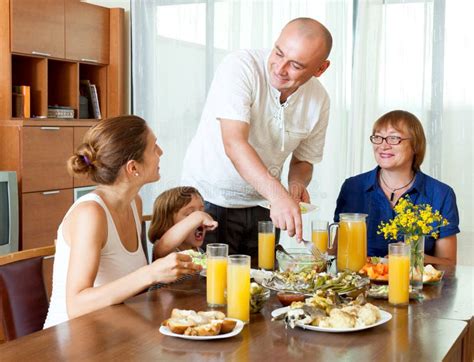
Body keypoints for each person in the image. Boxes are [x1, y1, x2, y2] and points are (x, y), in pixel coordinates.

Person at [181, 17, 333, 257]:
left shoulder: (319, 100)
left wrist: (297, 183)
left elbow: (304, 160)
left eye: (295, 65)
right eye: (278, 52)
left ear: (320, 69)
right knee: (209, 289)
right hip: (210, 200)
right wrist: (279, 195)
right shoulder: (240, 66)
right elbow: (234, 143)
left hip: (265, 205)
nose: (280, 68)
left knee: (263, 286)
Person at [44, 115, 201, 328]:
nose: (161, 152)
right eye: (154, 147)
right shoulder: (91, 214)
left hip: (115, 329)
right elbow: (76, 305)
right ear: (133, 167)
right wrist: (151, 272)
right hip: (71, 340)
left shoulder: (133, 203)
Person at [334, 110, 459, 265]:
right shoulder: (352, 187)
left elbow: (448, 263)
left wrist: (415, 257)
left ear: (415, 145)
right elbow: (337, 253)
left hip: (415, 286)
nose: (383, 146)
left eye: (394, 138)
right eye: (378, 138)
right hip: (360, 284)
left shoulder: (441, 194)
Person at [148, 186, 218, 260]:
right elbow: (164, 247)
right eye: (190, 214)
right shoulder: (164, 250)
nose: (200, 220)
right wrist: (198, 216)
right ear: (167, 224)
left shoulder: (199, 251)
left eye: (202, 212)